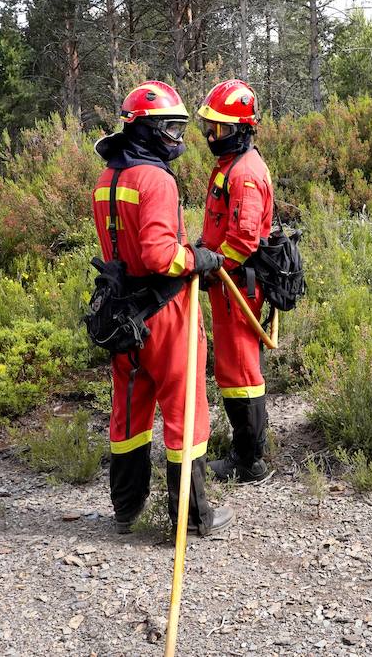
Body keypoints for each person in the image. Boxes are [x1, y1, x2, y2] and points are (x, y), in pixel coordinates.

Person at [91, 81, 232, 537]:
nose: (178, 137)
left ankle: (126, 509)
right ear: (146, 129)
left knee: (129, 412)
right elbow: (157, 255)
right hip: (165, 313)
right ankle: (192, 518)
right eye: (170, 127)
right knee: (185, 409)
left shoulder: (108, 177)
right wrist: (198, 259)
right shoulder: (155, 178)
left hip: (119, 314)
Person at [197, 79, 276, 485]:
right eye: (210, 127)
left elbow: (243, 239)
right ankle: (242, 451)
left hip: (237, 285)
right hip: (225, 282)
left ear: (243, 129)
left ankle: (250, 461)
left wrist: (212, 263)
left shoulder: (245, 173)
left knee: (242, 371)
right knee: (232, 368)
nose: (213, 136)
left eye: (222, 129)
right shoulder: (230, 164)